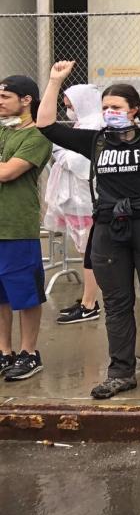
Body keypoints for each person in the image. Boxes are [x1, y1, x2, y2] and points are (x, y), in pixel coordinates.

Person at [37, 63, 140, 401]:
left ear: (133, 110)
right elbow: (46, 125)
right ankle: (120, 372)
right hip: (108, 229)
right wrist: (54, 80)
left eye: (116, 107)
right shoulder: (95, 142)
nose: (109, 113)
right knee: (117, 304)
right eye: (105, 108)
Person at [0, 75, 53, 383]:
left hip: (18, 227)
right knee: (1, 295)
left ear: (26, 100)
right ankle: (4, 351)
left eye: (5, 97)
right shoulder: (3, 130)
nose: (0, 102)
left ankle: (29, 352)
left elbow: (8, 172)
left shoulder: (37, 136)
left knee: (25, 293)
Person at [44, 83, 104, 325]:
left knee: (91, 251)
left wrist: (61, 152)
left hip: (87, 199)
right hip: (75, 200)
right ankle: (87, 300)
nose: (68, 111)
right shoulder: (83, 123)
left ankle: (90, 303)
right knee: (84, 251)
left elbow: (83, 164)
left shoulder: (96, 124)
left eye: (71, 106)